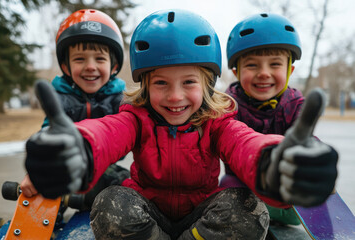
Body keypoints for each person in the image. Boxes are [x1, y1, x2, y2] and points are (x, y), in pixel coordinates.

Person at [25, 9, 338, 240]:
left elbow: (245, 143)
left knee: (248, 207)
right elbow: (107, 132)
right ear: (145, 86)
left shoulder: (218, 122)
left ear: (207, 84)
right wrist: (82, 148)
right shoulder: (137, 118)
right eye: (161, 83)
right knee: (110, 203)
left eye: (188, 82)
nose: (175, 97)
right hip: (147, 214)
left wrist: (272, 162)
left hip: (201, 216)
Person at [20, 9, 129, 209]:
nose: (90, 66)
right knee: (46, 182)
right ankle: (40, 224)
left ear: (114, 67)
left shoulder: (119, 100)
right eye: (80, 59)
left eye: (100, 59)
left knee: (129, 186)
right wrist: (40, 168)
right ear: (66, 66)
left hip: (103, 168)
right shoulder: (60, 98)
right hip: (66, 169)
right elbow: (48, 135)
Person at [221, 13, 305, 226]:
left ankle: (262, 211)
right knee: (224, 192)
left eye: (275, 64)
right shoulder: (229, 105)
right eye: (252, 65)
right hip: (240, 181)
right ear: (236, 71)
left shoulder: (295, 104)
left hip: (279, 183)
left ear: (289, 70)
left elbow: (305, 140)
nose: (264, 73)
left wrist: (313, 158)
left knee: (301, 210)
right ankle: (257, 211)